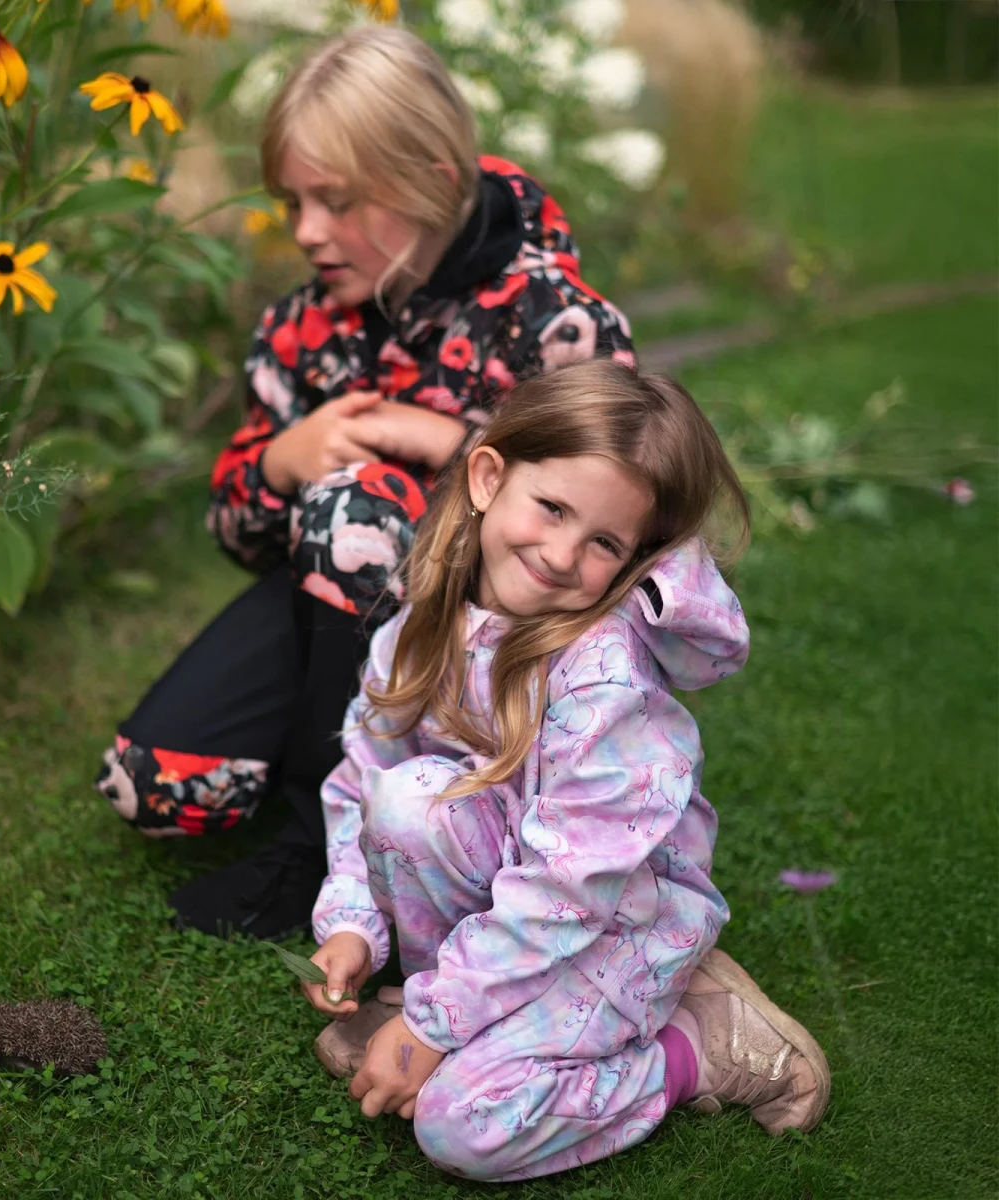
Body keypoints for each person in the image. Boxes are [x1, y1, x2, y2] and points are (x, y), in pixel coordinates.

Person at [94, 24, 635, 938]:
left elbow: (616, 507)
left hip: (503, 643)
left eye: (335, 201)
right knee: (150, 785)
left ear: (428, 177)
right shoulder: (301, 325)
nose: (306, 231)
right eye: (293, 201)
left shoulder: (557, 321)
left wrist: (458, 445)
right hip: (333, 609)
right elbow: (238, 537)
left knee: (355, 509)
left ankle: (321, 844)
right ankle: (343, 744)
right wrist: (282, 459)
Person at [301, 360, 831, 1181]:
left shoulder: (601, 680)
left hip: (615, 925)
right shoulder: (424, 625)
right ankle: (456, 1006)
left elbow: (570, 889)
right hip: (519, 915)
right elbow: (359, 779)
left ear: (633, 559)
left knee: (462, 1126)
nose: (559, 554)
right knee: (407, 802)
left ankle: (700, 1046)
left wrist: (433, 1026)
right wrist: (352, 925)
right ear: (488, 478)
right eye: (552, 508)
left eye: (604, 543)